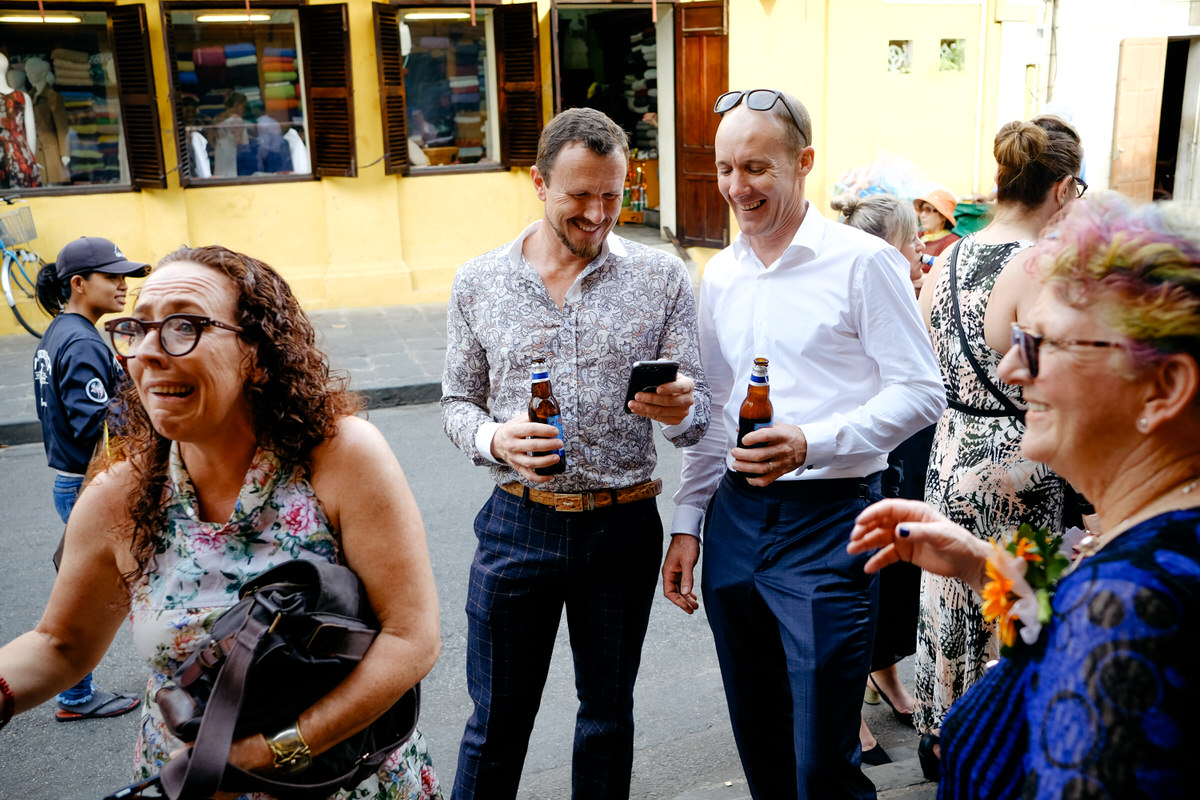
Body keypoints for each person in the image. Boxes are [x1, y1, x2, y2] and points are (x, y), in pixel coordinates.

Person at [1, 245, 444, 800]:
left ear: (255, 353)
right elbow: (61, 644)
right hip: (192, 782)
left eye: (184, 325)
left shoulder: (340, 457)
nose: (149, 352)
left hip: (342, 776)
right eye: (137, 329)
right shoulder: (119, 494)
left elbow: (411, 638)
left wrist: (267, 755)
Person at [848, 195, 1200, 797]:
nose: (1011, 368)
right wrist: (985, 566)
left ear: (1163, 389)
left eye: (1043, 344)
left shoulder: (1128, 608)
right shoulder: (1154, 544)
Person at [663, 89, 945, 800]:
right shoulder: (721, 273)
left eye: (755, 167)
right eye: (725, 168)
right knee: (762, 748)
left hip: (832, 522)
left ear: (804, 162)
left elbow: (921, 392)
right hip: (735, 520)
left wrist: (813, 443)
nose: (736, 187)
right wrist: (688, 523)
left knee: (821, 764)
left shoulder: (864, 262)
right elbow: (721, 414)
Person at [441, 106, 710, 800]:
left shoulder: (664, 278)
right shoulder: (479, 281)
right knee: (496, 723)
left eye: (613, 195)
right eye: (580, 196)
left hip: (622, 528)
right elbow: (454, 404)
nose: (598, 214)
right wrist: (492, 438)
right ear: (538, 183)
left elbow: (695, 416)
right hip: (516, 522)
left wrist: (683, 409)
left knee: (606, 718)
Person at [914, 115, 1084, 739]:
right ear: (1062, 189)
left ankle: (946, 732)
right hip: (1017, 455)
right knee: (1013, 593)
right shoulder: (1038, 265)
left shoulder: (949, 256)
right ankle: (1001, 735)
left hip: (952, 445)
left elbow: (926, 349)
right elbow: (1047, 373)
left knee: (949, 589)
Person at [829, 193, 931, 764]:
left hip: (911, 449)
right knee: (862, 579)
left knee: (898, 578)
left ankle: (885, 675)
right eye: (911, 238)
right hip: (871, 455)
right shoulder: (867, 284)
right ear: (884, 247)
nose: (921, 246)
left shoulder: (916, 286)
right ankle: (846, 710)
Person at [30, 236, 147, 722]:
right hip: (88, 482)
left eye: (124, 276)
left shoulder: (61, 332)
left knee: (97, 587)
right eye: (111, 276)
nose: (123, 285)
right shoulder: (80, 341)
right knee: (96, 593)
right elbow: (91, 419)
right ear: (78, 284)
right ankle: (76, 696)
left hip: (74, 479)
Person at [24, 56, 70, 185]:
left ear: (42, 73)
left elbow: (62, 127)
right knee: (40, 184)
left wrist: (65, 153)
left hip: (51, 149)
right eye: (27, 72)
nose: (28, 76)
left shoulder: (53, 97)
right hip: (36, 150)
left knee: (54, 185)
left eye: (31, 72)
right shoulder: (29, 96)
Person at [0, 50, 39, 189]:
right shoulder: (23, 97)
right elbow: (31, 137)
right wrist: (30, 162)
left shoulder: (23, 97)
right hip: (20, 157)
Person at [913, 188, 960, 260]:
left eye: (928, 210)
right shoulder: (917, 235)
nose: (922, 215)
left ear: (943, 216)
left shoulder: (952, 243)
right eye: (922, 210)